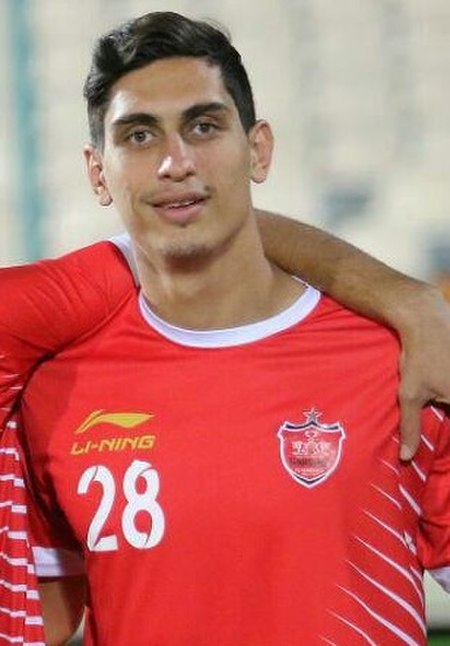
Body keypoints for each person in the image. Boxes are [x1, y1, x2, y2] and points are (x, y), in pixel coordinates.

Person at [1, 10, 449, 645]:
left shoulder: (400, 360)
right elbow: (45, 618)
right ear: (97, 173)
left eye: (203, 125)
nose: (174, 161)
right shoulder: (54, 389)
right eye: (137, 136)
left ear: (258, 148)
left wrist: (411, 303)